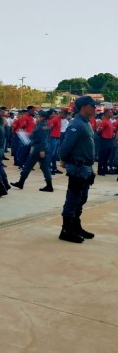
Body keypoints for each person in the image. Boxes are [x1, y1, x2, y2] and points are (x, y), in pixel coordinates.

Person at [58, 96, 100, 243]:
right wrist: (64, 159)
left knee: (82, 198)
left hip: (86, 167)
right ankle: (66, 230)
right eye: (93, 106)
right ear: (83, 107)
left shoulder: (86, 123)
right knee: (73, 199)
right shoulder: (77, 124)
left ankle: (76, 226)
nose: (95, 108)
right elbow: (65, 146)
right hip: (77, 167)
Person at [10, 110, 54, 192]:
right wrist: (28, 135)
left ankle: (21, 182)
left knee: (28, 165)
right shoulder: (43, 125)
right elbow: (37, 136)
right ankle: (49, 185)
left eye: (38, 116)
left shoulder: (42, 126)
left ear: (42, 117)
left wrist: (41, 150)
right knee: (45, 167)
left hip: (39, 149)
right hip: (41, 148)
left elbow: (43, 139)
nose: (37, 117)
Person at [96, 109, 114, 176]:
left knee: (107, 156)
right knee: (102, 155)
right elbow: (98, 131)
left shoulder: (109, 122)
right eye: (110, 112)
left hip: (109, 140)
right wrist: (102, 138)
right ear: (106, 114)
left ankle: (105, 169)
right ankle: (100, 170)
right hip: (104, 140)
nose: (112, 113)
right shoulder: (104, 122)